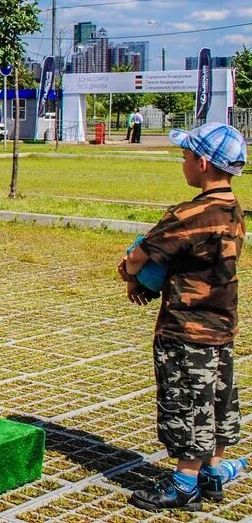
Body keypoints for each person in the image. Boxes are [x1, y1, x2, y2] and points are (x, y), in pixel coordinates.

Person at [120, 122, 247, 511]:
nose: (184, 163)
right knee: (217, 397)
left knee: (186, 402)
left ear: (203, 163)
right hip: (221, 327)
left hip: (184, 329)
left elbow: (142, 256)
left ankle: (183, 484)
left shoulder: (190, 214)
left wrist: (129, 272)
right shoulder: (234, 209)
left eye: (186, 156)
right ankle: (212, 472)